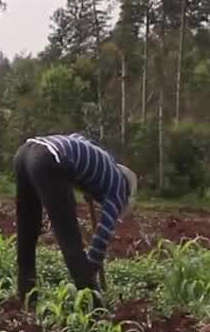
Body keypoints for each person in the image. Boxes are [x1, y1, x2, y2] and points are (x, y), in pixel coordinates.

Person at [13, 132, 137, 309]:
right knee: (69, 239)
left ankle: (26, 299)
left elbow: (77, 138)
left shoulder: (104, 161)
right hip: (48, 159)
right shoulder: (118, 191)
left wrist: (85, 182)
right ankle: (94, 306)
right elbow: (100, 242)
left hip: (25, 153)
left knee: (27, 232)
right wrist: (89, 272)